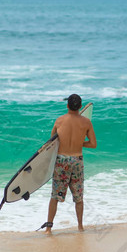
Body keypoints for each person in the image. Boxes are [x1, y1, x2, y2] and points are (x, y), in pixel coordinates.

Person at [41, 94, 97, 234]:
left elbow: (52, 142)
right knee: (78, 197)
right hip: (77, 160)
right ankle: (80, 226)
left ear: (67, 106)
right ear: (79, 106)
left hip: (61, 161)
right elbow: (93, 144)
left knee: (55, 196)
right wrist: (79, 143)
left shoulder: (59, 121)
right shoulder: (86, 123)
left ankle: (48, 228)